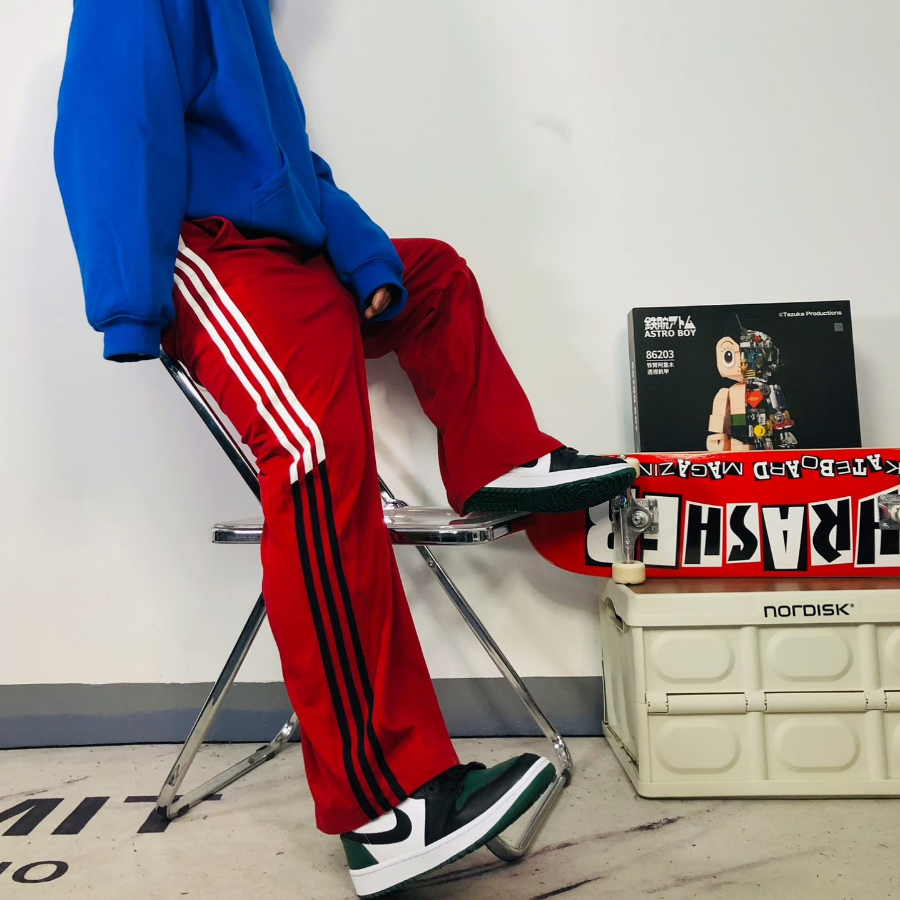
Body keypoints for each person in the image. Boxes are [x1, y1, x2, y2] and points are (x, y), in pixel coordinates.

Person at [53, 1, 635, 895]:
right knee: (315, 463)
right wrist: (129, 301)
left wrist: (365, 261)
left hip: (289, 256)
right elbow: (109, 120)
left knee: (433, 276)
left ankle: (499, 467)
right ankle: (386, 806)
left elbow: (293, 170)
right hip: (211, 253)